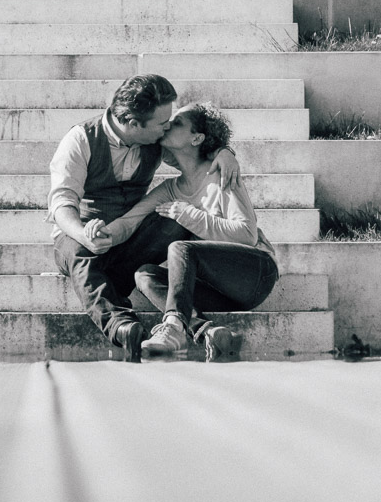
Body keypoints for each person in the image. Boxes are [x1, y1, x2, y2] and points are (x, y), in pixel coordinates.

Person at [48, 76, 239, 362]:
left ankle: (117, 289)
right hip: (83, 241)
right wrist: (83, 233)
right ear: (134, 124)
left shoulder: (155, 140)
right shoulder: (81, 140)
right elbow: (61, 203)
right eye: (162, 123)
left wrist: (225, 152)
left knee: (175, 221)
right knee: (78, 252)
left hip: (129, 242)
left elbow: (196, 149)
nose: (168, 126)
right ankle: (123, 327)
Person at [103, 102, 279, 361]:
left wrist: (190, 215)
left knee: (180, 248)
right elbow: (131, 220)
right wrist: (89, 235)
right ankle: (208, 330)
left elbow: (246, 235)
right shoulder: (171, 188)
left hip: (255, 274)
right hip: (216, 291)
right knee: (144, 275)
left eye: (176, 123)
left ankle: (173, 328)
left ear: (196, 138)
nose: (166, 125)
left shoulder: (221, 174)